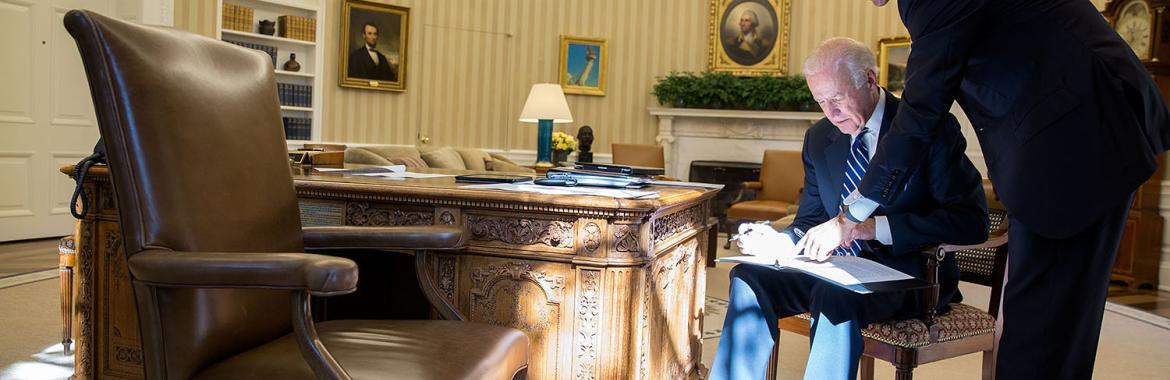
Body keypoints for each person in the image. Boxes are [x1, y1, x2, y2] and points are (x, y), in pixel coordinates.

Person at [796, 1, 1170, 379]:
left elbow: (922, 110)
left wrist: (851, 216)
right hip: (1071, 135)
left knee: (1042, 330)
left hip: (1078, 140)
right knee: (1048, 325)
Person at [707, 37, 988, 380]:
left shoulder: (928, 129)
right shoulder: (819, 137)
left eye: (837, 98)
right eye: (821, 101)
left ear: (870, 80)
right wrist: (778, 243)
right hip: (833, 270)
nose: (831, 112)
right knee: (750, 278)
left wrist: (871, 228)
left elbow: (971, 221)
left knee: (834, 293)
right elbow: (811, 219)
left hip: (911, 275)